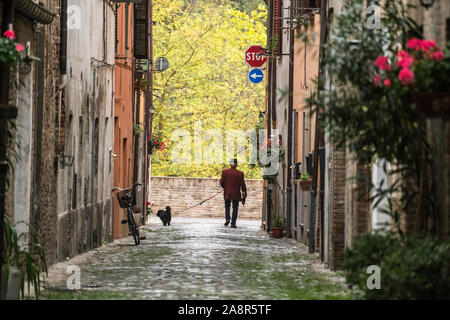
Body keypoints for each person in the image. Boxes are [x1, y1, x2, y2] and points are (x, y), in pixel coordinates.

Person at [219, 158, 247, 228]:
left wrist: (225, 187)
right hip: (236, 193)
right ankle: (233, 223)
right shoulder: (240, 173)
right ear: (237, 165)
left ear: (230, 164)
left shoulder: (224, 172)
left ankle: (228, 219)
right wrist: (244, 192)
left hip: (227, 192)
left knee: (227, 206)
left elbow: (221, 182)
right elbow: (242, 184)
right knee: (235, 207)